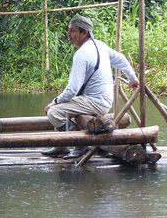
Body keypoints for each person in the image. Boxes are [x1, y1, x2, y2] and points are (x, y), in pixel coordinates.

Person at [42, 14, 139, 159]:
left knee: (54, 113)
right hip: (103, 100)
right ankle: (62, 146)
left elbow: (72, 90)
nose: (68, 34)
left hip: (95, 102)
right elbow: (122, 59)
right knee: (64, 108)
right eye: (69, 30)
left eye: (73, 31)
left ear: (84, 33)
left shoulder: (81, 54)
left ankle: (80, 145)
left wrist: (54, 102)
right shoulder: (100, 45)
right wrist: (132, 79)